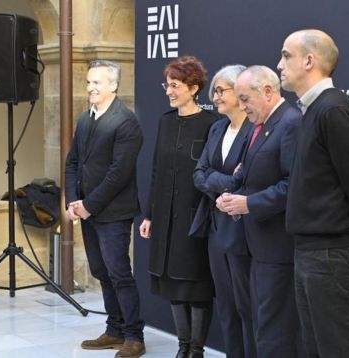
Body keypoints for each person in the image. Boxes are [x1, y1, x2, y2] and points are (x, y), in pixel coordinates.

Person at [277, 29, 349, 358]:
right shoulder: (314, 109)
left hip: (329, 253)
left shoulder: (333, 110)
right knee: (315, 346)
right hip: (313, 249)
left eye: (286, 55)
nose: (279, 65)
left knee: (335, 347)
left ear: (309, 60)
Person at [216, 65, 302, 357]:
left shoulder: (290, 123)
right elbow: (250, 174)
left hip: (278, 247)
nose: (241, 106)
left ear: (267, 91)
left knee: (274, 331)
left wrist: (248, 204)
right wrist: (233, 197)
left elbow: (294, 186)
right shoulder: (261, 125)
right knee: (262, 325)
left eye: (244, 99)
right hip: (257, 245)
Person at [139, 55, 219, 358]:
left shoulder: (212, 123)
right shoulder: (165, 121)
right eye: (167, 85)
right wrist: (150, 215)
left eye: (174, 85)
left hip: (195, 219)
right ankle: (182, 347)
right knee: (172, 284)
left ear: (193, 87)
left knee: (196, 286)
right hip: (165, 218)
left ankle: (195, 350)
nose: (168, 91)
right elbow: (157, 171)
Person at [65, 60, 145, 358]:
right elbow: (73, 162)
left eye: (97, 83)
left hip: (113, 212)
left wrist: (88, 204)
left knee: (119, 272)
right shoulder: (85, 119)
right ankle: (114, 329)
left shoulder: (126, 121)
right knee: (101, 271)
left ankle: (134, 336)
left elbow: (118, 173)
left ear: (113, 85)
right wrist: (73, 202)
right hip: (87, 210)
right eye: (88, 82)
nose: (90, 88)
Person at [192, 64, 256, 358]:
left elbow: (250, 178)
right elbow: (199, 174)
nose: (214, 97)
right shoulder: (217, 128)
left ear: (240, 92)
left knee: (247, 307)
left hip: (243, 231)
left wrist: (221, 181)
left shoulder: (255, 130)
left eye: (220, 90)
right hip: (215, 229)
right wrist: (228, 181)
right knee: (226, 307)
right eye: (214, 91)